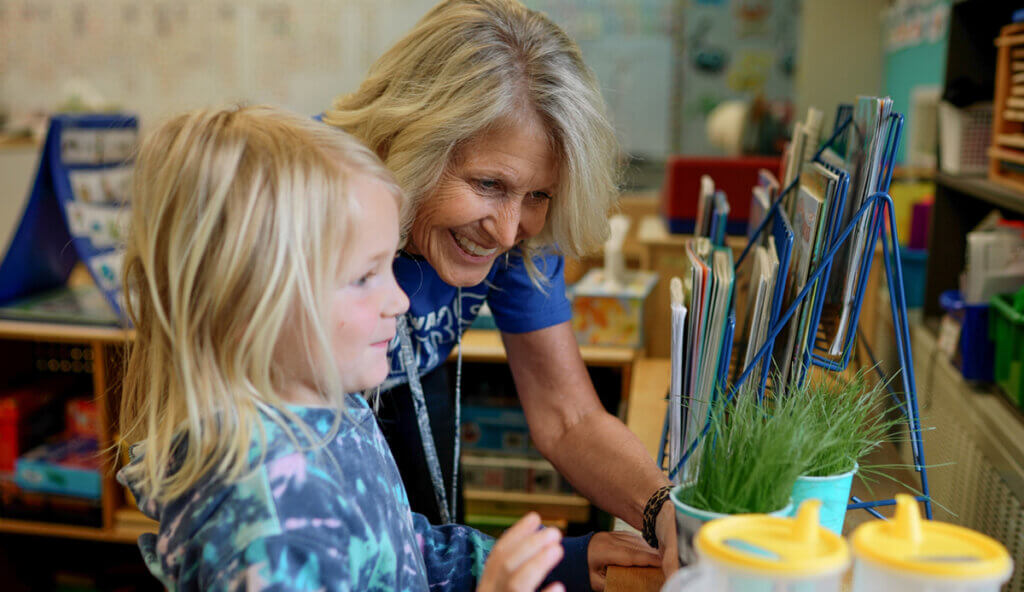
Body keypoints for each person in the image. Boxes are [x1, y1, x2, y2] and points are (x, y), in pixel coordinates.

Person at [116, 105, 655, 591]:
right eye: (363, 277)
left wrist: (556, 562)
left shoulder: (335, 410)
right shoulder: (267, 529)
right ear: (246, 306)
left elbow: (398, 549)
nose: (400, 300)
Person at [323, 0, 679, 574]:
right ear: (412, 143)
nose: (509, 232)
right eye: (489, 184)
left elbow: (569, 418)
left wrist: (666, 510)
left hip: (415, 383)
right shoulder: (310, 206)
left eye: (538, 195)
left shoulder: (512, 233)